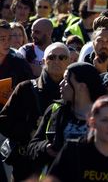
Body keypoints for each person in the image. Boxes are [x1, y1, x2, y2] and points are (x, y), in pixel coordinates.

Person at [0, 42, 70, 181]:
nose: (56, 61)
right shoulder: (25, 88)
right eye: (52, 57)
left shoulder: (74, 92)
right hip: (26, 162)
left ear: (69, 61)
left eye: (62, 57)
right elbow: (3, 120)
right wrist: (30, 131)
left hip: (61, 163)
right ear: (43, 61)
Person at [28, 62, 107, 176]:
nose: (60, 84)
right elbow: (32, 147)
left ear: (82, 86)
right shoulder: (56, 112)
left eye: (65, 80)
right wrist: (46, 148)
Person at [0, 20, 32, 90]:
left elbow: (30, 89)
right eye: (2, 39)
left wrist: (14, 95)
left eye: (9, 38)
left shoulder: (20, 62)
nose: (7, 43)